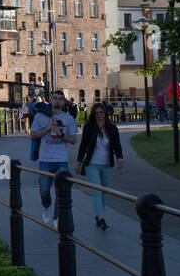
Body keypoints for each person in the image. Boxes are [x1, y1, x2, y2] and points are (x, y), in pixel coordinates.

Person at [30, 89, 78, 228]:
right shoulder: (40, 116)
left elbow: (73, 140)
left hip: (61, 159)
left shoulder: (68, 119)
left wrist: (60, 134)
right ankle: (46, 206)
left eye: (60, 99)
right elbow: (33, 135)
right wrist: (47, 128)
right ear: (50, 100)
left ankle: (57, 216)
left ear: (64, 102)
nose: (57, 100)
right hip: (45, 159)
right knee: (44, 190)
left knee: (60, 190)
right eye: (55, 98)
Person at [76, 102, 124, 232]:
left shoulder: (112, 128)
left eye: (101, 112)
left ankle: (98, 214)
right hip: (93, 163)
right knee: (97, 190)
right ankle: (101, 218)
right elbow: (83, 145)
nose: (99, 115)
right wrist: (79, 161)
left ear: (105, 113)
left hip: (107, 164)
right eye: (96, 113)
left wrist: (120, 158)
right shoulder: (89, 127)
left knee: (104, 192)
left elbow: (117, 146)